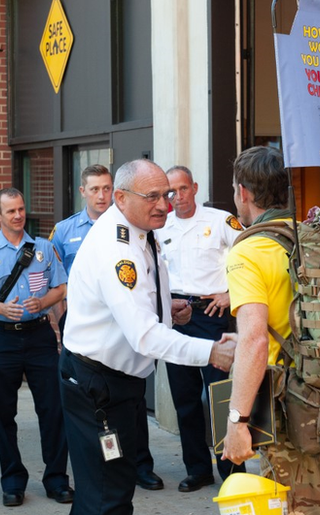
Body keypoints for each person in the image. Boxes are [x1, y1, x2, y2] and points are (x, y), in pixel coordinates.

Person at [59, 159, 237, 515]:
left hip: (118, 383)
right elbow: (144, 336)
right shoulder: (117, 247)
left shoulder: (141, 227)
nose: (164, 205)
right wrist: (212, 352)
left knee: (110, 486)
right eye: (153, 196)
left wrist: (165, 308)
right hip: (99, 385)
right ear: (121, 198)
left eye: (167, 194)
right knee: (107, 494)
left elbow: (139, 294)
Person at [222, 145, 320, 514]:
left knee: (295, 507)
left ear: (244, 192)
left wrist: (237, 422)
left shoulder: (248, 252)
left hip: (292, 408)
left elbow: (254, 338)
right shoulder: (317, 240)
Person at [50, 163, 164, 491]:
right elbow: (63, 284)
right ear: (84, 192)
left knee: (121, 460)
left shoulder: (138, 227)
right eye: (95, 189)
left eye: (105, 188)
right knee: (104, 482)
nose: (100, 195)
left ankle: (141, 467)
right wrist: (62, 326)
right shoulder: (70, 231)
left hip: (126, 354)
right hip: (97, 358)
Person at [0, 188, 74, 507]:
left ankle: (56, 480)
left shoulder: (43, 248)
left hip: (39, 337)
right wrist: (0, 309)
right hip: (2, 338)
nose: (18, 215)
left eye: (21, 209)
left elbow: (61, 287)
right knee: (4, 413)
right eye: (10, 211)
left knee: (53, 410)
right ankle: (12, 481)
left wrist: (43, 301)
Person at [155, 165, 246, 491]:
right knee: (185, 399)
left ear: (194, 187)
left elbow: (248, 255)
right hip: (176, 314)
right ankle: (197, 469)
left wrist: (231, 293)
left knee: (220, 396)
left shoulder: (219, 220)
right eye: (170, 191)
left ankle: (233, 472)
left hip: (210, 312)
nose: (176, 197)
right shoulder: (159, 227)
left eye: (182, 189)